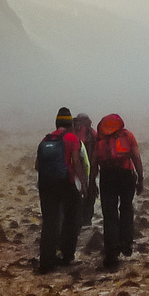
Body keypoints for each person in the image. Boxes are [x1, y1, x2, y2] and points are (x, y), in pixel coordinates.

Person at [35, 106, 89, 272]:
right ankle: (67, 256)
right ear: (70, 123)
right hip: (65, 183)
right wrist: (84, 184)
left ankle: (46, 260)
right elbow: (77, 163)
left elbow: (37, 166)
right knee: (72, 218)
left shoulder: (45, 140)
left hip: (45, 184)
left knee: (49, 221)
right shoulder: (71, 138)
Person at [90, 113, 143, 270]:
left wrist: (92, 182)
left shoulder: (98, 139)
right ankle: (126, 243)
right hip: (126, 175)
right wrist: (141, 178)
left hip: (107, 177)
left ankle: (111, 251)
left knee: (109, 213)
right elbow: (136, 157)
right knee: (126, 207)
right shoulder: (128, 135)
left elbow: (94, 164)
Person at [72, 112, 98, 226]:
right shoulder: (93, 134)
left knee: (75, 195)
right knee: (90, 192)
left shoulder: (72, 133)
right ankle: (87, 221)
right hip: (90, 168)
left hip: (73, 170)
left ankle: (76, 220)